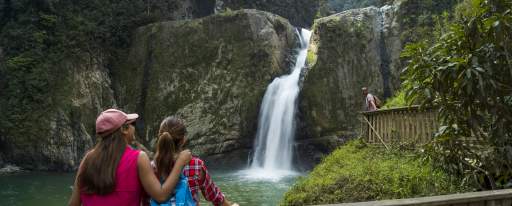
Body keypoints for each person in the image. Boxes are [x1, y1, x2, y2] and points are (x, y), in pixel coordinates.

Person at [68, 109, 192, 206]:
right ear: (124, 129)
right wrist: (180, 162)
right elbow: (160, 195)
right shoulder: (138, 158)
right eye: (132, 124)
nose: (134, 127)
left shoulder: (88, 159)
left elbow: (74, 204)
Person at [153, 116, 238, 206]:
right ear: (183, 139)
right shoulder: (196, 165)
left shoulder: (151, 167)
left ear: (160, 138)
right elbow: (215, 198)